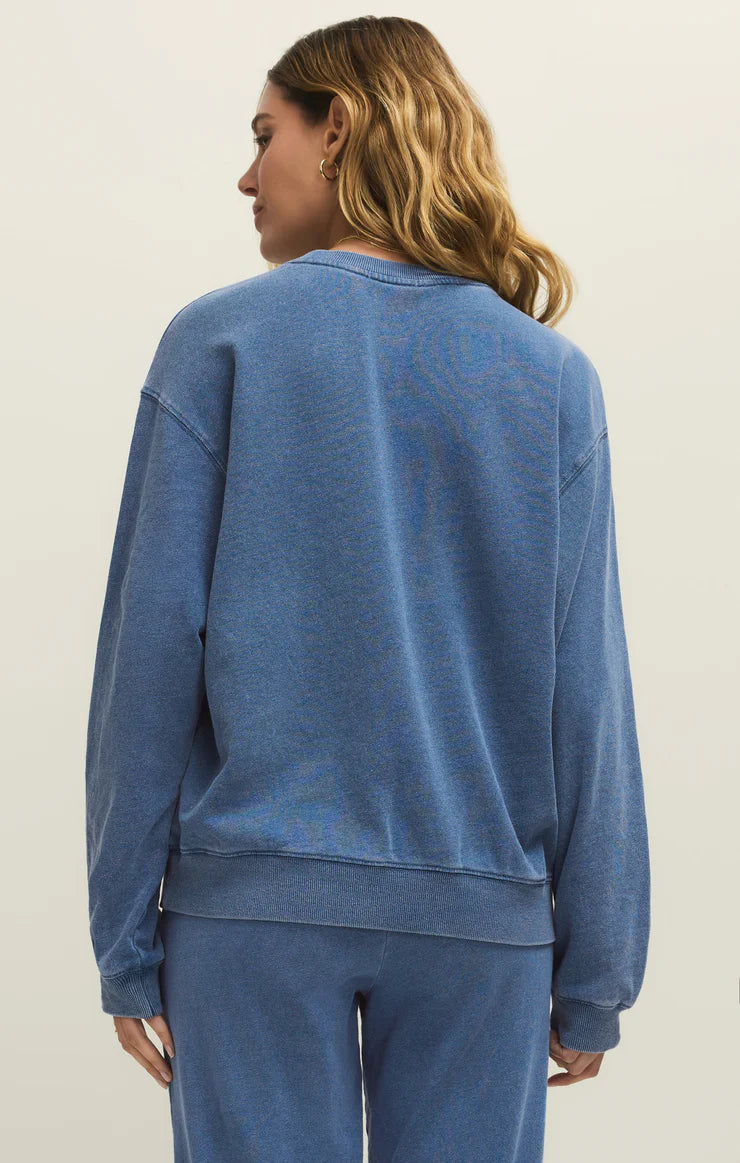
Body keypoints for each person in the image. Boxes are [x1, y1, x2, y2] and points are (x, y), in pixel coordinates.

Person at [85, 15, 651, 1162]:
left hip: (251, 915)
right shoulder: (548, 380)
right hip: (479, 923)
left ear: (336, 125)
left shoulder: (218, 344)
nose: (246, 175)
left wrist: (124, 938)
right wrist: (595, 966)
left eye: (264, 135)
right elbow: (585, 694)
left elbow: (146, 666)